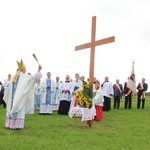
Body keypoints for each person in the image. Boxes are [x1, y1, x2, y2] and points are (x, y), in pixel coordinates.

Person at [4, 59, 42, 130]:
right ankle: (17, 126)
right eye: (25, 69)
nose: (25, 70)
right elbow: (33, 77)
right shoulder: (23, 76)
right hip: (19, 98)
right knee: (19, 109)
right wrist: (39, 70)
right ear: (23, 69)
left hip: (12, 98)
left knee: (12, 108)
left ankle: (9, 124)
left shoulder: (14, 76)